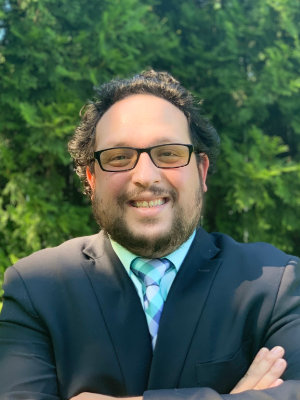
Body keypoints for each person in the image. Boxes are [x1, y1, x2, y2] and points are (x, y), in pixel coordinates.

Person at [0, 70, 299, 400]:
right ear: (92, 179)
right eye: (118, 157)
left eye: (168, 153)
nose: (144, 176)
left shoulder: (277, 283)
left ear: (201, 171)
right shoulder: (36, 288)